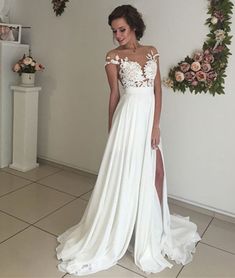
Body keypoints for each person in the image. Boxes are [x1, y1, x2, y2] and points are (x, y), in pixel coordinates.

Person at [56, 5, 201, 276]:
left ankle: (153, 228)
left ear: (133, 26)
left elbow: (158, 90)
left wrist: (156, 125)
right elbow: (114, 95)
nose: (118, 35)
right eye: (114, 31)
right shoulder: (112, 57)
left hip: (148, 121)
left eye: (122, 29)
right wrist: (112, 131)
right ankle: (122, 227)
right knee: (127, 174)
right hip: (127, 120)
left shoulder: (151, 51)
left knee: (156, 173)